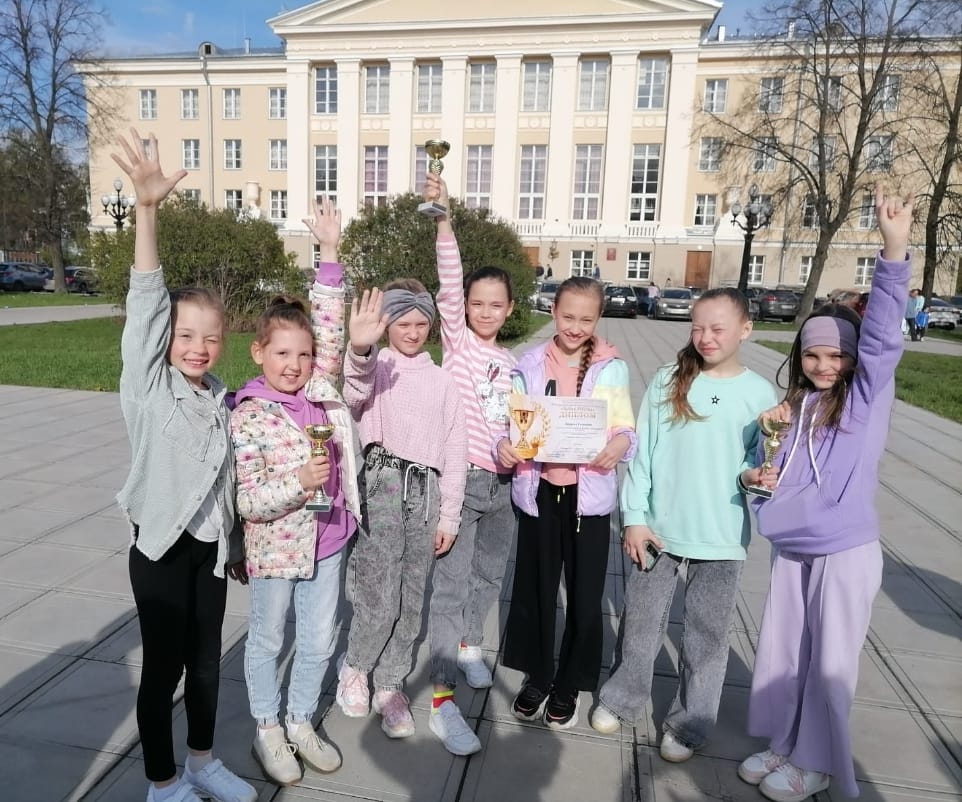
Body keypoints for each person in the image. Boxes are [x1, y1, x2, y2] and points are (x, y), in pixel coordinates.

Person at [738, 186, 913, 802]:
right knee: (786, 653)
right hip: (793, 548)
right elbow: (774, 472)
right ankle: (786, 743)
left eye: (835, 355)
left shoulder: (865, 400)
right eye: (811, 355)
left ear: (854, 358)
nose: (822, 365)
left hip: (843, 550)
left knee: (828, 664)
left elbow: (883, 335)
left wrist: (894, 250)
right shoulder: (795, 406)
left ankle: (818, 764)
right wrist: (753, 476)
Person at [113, 129, 256, 802]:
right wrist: (146, 211)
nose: (198, 347)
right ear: (166, 340)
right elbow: (146, 302)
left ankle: (201, 762)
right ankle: (162, 783)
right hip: (161, 551)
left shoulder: (221, 399)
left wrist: (238, 544)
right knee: (163, 669)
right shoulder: (149, 388)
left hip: (209, 553)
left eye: (211, 337)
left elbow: (227, 482)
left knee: (205, 666)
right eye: (185, 335)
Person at [589, 289, 778, 763]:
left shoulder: (759, 394)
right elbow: (644, 455)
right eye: (698, 327)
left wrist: (755, 478)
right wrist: (634, 518)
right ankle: (622, 697)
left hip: (721, 535)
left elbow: (753, 466)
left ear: (746, 329)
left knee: (707, 634)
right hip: (658, 529)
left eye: (717, 329)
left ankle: (690, 722)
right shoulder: (668, 379)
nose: (705, 337)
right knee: (641, 621)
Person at [229, 198, 360, 785]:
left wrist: (329, 251)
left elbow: (330, 326)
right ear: (259, 353)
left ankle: (300, 720)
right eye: (282, 353)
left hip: (328, 539)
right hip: (277, 548)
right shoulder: (249, 414)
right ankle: (267, 727)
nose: (295, 364)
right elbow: (248, 500)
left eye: (304, 355)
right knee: (266, 638)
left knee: (318, 640)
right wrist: (297, 482)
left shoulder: (320, 390)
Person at [499, 277, 636, 730]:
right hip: (539, 492)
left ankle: (570, 683)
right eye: (568, 316)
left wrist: (620, 445)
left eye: (586, 319)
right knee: (536, 588)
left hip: (587, 498)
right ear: (554, 311)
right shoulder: (530, 363)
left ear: (598, 319)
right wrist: (505, 445)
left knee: (584, 594)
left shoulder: (610, 368)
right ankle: (538, 675)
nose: (576, 327)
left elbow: (624, 427)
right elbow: (512, 425)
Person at [335, 282, 467, 740]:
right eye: (402, 323)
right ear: (387, 325)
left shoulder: (443, 381)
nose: (412, 332)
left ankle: (390, 683)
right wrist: (360, 348)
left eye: (420, 323)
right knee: (378, 587)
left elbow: (455, 448)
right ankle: (356, 666)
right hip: (384, 484)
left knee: (413, 595)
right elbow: (354, 392)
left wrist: (450, 515)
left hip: (426, 492)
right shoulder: (378, 367)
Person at [423, 174, 516, 756]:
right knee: (449, 590)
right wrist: (444, 220)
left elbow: (518, 423)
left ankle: (468, 646)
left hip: (504, 487)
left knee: (488, 578)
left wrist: (514, 447)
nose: (484, 311)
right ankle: (441, 703)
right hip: (460, 484)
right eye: (476, 303)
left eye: (495, 304)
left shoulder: (513, 362)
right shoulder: (457, 343)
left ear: (509, 309)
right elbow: (449, 277)